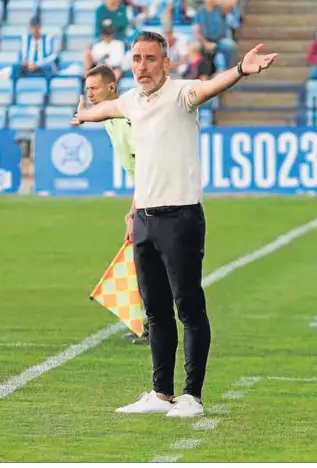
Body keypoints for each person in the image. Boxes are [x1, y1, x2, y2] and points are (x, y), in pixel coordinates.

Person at [73, 31, 277, 417]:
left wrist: (240, 70)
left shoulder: (181, 93)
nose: (142, 67)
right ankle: (160, 392)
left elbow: (210, 87)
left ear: (165, 63)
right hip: (146, 220)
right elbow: (108, 109)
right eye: (136, 59)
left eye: (150, 59)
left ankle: (192, 396)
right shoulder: (132, 100)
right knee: (156, 312)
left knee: (189, 308)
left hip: (180, 218)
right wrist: (84, 114)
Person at [76, 65, 150, 346]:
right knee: (141, 262)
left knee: (149, 264)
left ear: (111, 88)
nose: (90, 94)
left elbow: (145, 164)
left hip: (154, 195)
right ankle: (145, 324)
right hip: (146, 194)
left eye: (94, 89)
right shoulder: (110, 118)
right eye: (87, 90)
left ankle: (152, 327)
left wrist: (133, 210)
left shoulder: (125, 117)